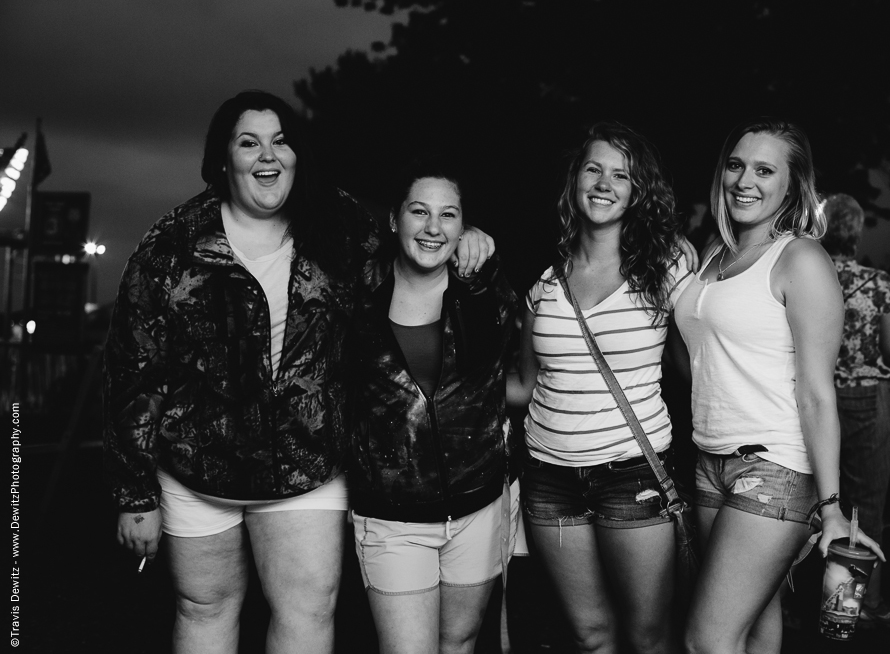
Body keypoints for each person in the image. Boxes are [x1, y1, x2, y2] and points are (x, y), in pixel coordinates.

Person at [103, 91, 494, 654]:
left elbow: (418, 245)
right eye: (249, 142)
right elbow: (132, 370)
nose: (268, 155)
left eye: (281, 140)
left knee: (307, 610)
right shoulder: (172, 245)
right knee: (205, 608)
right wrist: (133, 492)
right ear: (222, 160)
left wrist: (469, 237)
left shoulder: (338, 226)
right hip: (196, 470)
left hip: (305, 466)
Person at [672, 118, 885, 654]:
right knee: (755, 622)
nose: (745, 180)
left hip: (775, 466)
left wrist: (831, 507)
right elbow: (699, 360)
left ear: (793, 186)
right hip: (709, 459)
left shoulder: (800, 259)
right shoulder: (713, 256)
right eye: (736, 165)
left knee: (707, 638)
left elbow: (817, 393)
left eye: (765, 170)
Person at [507, 122, 693, 654]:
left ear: (637, 192)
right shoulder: (544, 282)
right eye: (594, 168)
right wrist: (440, 378)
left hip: (632, 473)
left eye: (621, 174)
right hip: (548, 477)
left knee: (648, 635)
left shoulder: (669, 263)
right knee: (589, 635)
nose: (604, 182)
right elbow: (523, 385)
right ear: (575, 180)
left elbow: (701, 356)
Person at [348, 170, 518, 654]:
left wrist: (479, 271)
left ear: (464, 228)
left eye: (449, 215)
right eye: (419, 211)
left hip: (479, 509)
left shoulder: (484, 289)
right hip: (392, 519)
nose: (433, 227)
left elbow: (509, 369)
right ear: (393, 219)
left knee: (460, 643)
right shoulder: (357, 293)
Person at [820, 193, 890, 628]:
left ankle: (787, 604)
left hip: (817, 399)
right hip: (870, 399)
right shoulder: (877, 283)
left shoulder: (804, 275)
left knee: (809, 500)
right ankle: (863, 605)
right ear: (856, 232)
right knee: (868, 504)